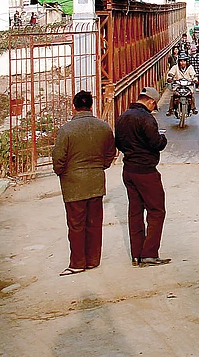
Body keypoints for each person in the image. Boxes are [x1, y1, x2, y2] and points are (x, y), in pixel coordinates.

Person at [52, 91, 117, 276]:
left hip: (73, 183)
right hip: (96, 180)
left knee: (76, 224)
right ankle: (93, 260)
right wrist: (101, 166)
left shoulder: (67, 130)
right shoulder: (103, 127)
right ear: (91, 106)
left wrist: (61, 172)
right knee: (94, 222)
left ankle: (78, 262)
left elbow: (59, 157)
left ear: (74, 107)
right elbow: (110, 152)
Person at [114, 87, 170, 267]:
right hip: (146, 171)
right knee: (156, 210)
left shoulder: (122, 117)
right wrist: (163, 138)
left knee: (135, 212)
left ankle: (136, 255)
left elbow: (119, 144)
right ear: (151, 102)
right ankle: (149, 253)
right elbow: (156, 144)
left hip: (128, 169)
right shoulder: (147, 119)